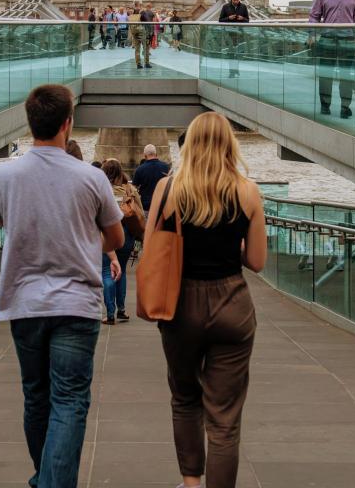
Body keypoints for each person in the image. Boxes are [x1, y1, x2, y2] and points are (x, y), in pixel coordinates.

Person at [0, 84, 125, 488]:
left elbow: (4, 224)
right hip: (76, 303)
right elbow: (116, 239)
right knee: (69, 401)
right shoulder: (91, 177)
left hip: (23, 301)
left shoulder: (4, 175)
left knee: (36, 396)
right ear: (69, 123)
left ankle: (44, 477)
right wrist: (83, 239)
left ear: (29, 122)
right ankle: (51, 482)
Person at [149, 112, 267, 488]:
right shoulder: (247, 191)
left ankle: (190, 484)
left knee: (185, 397)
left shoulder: (168, 189)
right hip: (231, 301)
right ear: (228, 144)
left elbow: (152, 247)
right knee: (225, 417)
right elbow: (257, 262)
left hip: (180, 303)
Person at [309, 0, 355, 118]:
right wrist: (312, 34)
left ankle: (345, 107)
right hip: (328, 40)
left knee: (346, 75)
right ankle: (325, 105)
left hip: (347, 40)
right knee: (326, 75)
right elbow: (314, 16)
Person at [100, 158, 139, 323]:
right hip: (126, 236)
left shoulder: (102, 190)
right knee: (120, 270)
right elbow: (139, 215)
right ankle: (121, 310)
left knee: (107, 271)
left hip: (107, 235)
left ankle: (110, 314)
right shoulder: (130, 189)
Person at [131, 143, 170, 213]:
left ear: (145, 156)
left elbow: (133, 189)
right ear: (156, 154)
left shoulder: (140, 169)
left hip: (146, 206)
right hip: (163, 205)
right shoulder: (166, 167)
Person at [218, 0, 249, 78]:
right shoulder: (225, 7)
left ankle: (236, 70)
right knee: (231, 54)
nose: (235, 1)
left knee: (238, 54)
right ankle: (232, 71)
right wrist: (229, 18)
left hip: (239, 34)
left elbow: (248, 20)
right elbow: (220, 20)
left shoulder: (243, 7)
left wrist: (242, 18)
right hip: (229, 34)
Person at [135, 4, 154, 69]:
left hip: (135, 33)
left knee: (137, 49)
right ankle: (146, 63)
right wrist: (150, 33)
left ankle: (138, 64)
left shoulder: (133, 16)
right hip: (144, 33)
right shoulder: (144, 14)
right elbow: (148, 24)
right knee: (146, 48)